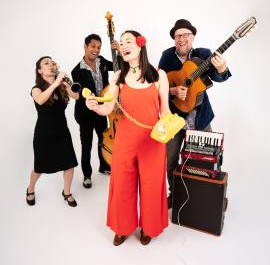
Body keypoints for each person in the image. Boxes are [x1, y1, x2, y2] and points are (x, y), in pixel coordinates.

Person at [85, 30, 169, 246]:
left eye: (128, 41)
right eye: (121, 43)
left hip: (153, 141)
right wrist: (96, 106)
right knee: (122, 185)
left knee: (151, 186)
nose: (123, 46)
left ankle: (148, 228)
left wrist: (168, 127)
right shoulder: (118, 76)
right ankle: (123, 227)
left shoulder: (159, 75)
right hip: (125, 140)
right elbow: (109, 108)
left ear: (141, 44)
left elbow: (166, 111)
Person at [158, 19, 232, 209]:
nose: (181, 39)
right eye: (178, 36)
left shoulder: (204, 55)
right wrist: (174, 92)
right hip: (174, 119)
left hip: (200, 119)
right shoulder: (167, 56)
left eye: (185, 35)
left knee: (210, 160)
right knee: (171, 161)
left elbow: (217, 77)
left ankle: (213, 194)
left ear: (193, 37)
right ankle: (174, 194)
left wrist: (222, 68)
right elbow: (159, 84)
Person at [26, 56, 79, 207]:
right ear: (40, 71)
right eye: (46, 63)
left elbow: (76, 96)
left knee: (69, 164)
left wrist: (67, 85)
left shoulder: (61, 86)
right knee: (39, 167)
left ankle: (67, 192)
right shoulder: (36, 89)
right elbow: (41, 100)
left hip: (62, 132)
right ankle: (30, 189)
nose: (51, 64)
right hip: (44, 134)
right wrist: (56, 83)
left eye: (52, 62)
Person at [71, 34, 119, 189]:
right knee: (87, 145)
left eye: (99, 47)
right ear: (85, 46)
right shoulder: (77, 71)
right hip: (85, 114)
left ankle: (104, 166)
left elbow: (119, 67)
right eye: (93, 46)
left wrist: (117, 51)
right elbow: (78, 93)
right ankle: (86, 175)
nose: (96, 50)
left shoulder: (102, 61)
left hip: (102, 109)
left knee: (103, 139)